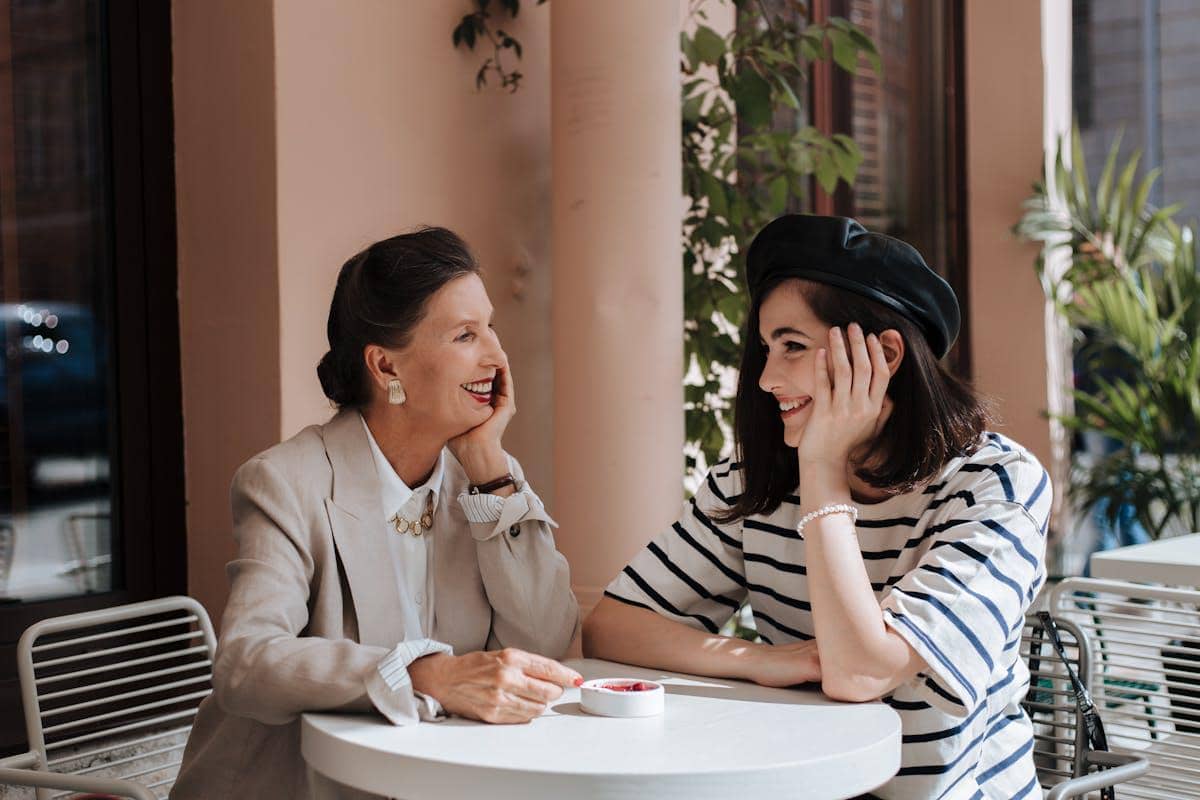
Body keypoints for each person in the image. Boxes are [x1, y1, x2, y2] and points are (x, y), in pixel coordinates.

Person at [584, 215, 1050, 799]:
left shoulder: (996, 486)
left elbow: (861, 671)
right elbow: (612, 629)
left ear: (884, 354)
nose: (766, 379)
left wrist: (825, 469)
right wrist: (764, 660)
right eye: (766, 349)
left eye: (793, 347)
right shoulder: (754, 481)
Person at [173, 227, 580, 800]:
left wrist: (491, 470)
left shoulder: (485, 475)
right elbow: (246, 663)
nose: (496, 356)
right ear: (386, 368)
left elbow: (546, 643)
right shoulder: (285, 482)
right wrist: (424, 674)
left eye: (490, 328)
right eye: (466, 335)